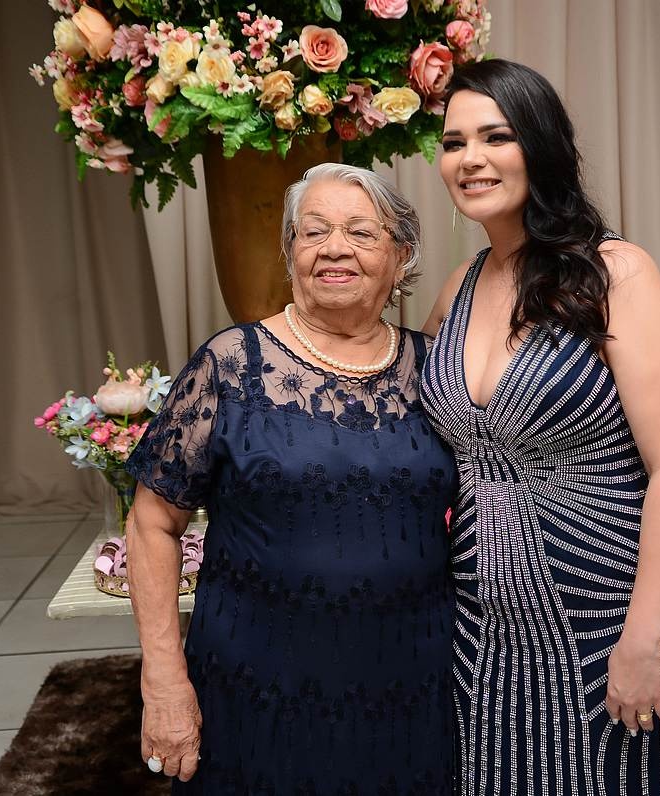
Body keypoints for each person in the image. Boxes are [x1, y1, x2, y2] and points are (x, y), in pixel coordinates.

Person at [125, 163, 458, 793]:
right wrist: (163, 680)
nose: (335, 248)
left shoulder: (438, 369)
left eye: (361, 232)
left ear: (401, 256)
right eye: (314, 231)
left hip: (413, 686)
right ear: (290, 253)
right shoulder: (231, 364)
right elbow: (151, 522)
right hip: (257, 689)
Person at [421, 59, 660, 794]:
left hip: (603, 603)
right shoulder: (457, 288)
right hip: (479, 613)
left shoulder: (616, 274)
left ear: (540, 145)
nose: (470, 159)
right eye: (453, 143)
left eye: (496, 137)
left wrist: (643, 639)